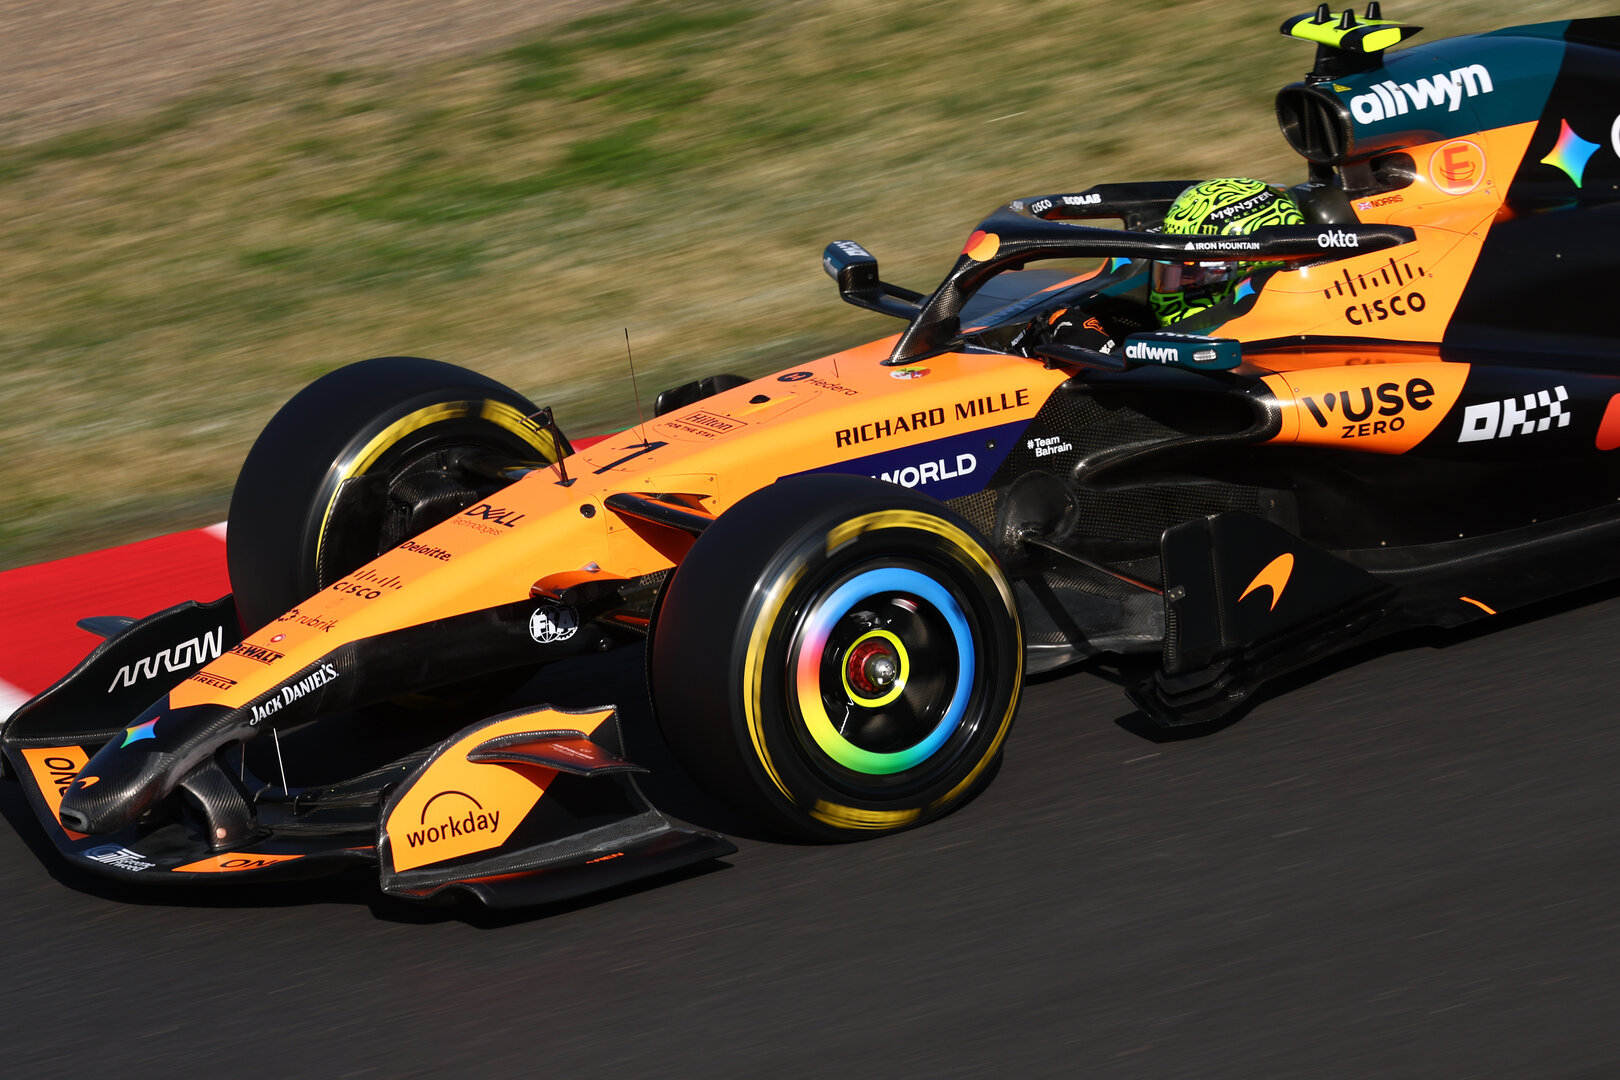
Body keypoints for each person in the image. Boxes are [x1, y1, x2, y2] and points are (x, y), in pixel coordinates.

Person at [1031, 178, 1303, 355]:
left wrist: (1104, 359)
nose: (1174, 283)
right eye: (1172, 270)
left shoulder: (1283, 339)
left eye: (1191, 274)